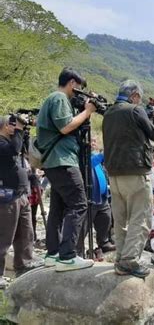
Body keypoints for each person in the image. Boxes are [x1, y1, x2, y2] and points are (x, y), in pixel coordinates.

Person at [36, 67, 97, 271]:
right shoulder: (59, 98)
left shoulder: (52, 99)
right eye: (78, 87)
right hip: (63, 161)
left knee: (58, 207)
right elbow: (65, 126)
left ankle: (53, 253)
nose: (78, 92)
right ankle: (68, 256)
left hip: (54, 162)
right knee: (79, 204)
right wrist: (87, 112)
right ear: (72, 83)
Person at [103, 79, 154, 278]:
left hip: (114, 174)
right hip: (135, 172)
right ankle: (129, 261)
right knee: (140, 218)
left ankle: (121, 258)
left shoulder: (109, 113)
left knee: (120, 220)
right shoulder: (135, 111)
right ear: (134, 95)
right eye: (139, 98)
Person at [0, 115, 40, 287]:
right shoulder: (2, 144)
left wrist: (24, 132)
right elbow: (13, 151)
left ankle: (24, 264)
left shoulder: (11, 142)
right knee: (4, 237)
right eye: (11, 125)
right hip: (7, 196)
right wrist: (19, 129)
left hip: (21, 194)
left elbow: (22, 152)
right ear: (3, 127)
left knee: (26, 233)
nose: (13, 128)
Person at [78, 137, 115, 259]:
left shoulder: (95, 156)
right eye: (90, 141)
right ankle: (78, 249)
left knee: (106, 219)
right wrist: (104, 153)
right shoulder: (82, 156)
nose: (92, 143)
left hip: (102, 197)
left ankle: (103, 242)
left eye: (94, 141)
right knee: (84, 225)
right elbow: (90, 164)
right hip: (90, 197)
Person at [28, 168, 45, 247]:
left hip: (34, 188)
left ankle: (33, 236)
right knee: (29, 216)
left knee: (32, 216)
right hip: (29, 188)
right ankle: (31, 237)